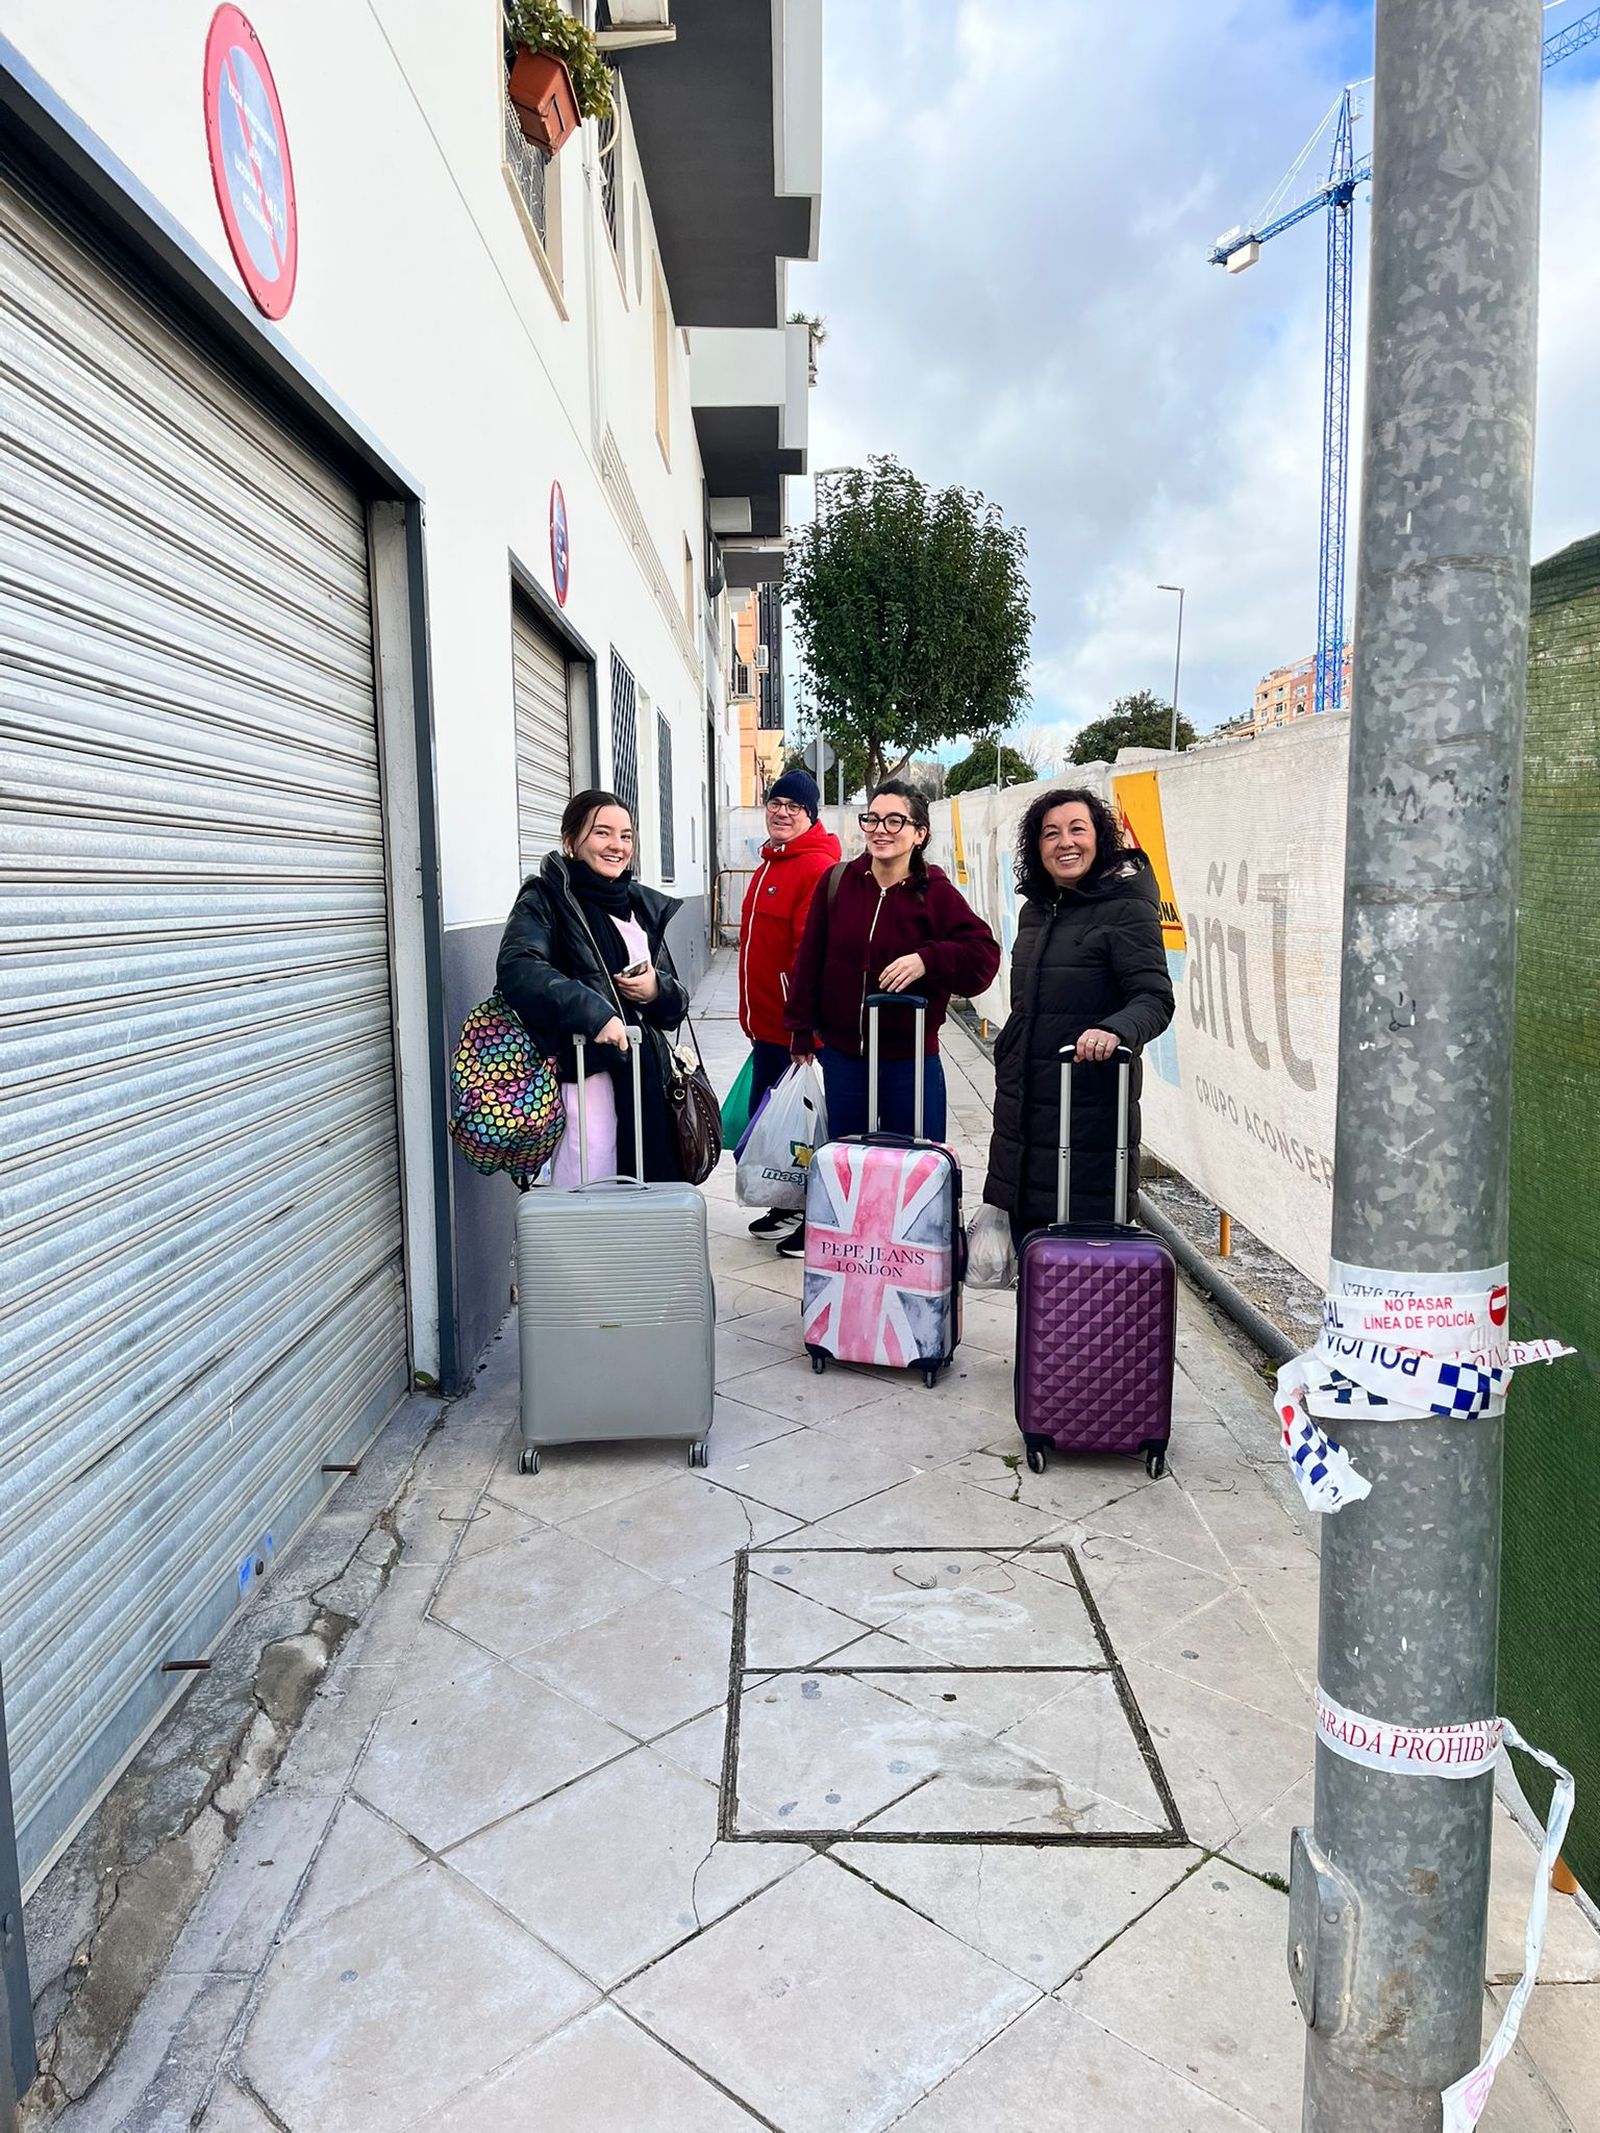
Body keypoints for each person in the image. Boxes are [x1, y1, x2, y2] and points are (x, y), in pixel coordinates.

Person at [782, 779, 1000, 1252]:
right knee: (847, 1169)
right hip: (844, 1057)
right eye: (872, 819)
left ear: (919, 832)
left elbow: (983, 958)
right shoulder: (838, 882)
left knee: (914, 1171)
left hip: (909, 1062)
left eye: (894, 820)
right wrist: (800, 1028)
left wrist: (929, 958)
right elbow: (810, 958)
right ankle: (850, 1263)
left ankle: (913, 1263)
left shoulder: (934, 892)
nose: (881, 830)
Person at [982, 786, 1175, 1238]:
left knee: (1083, 1273)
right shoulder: (1037, 910)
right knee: (1032, 1265)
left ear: (1099, 837)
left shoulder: (1127, 908)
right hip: (1023, 1112)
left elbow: (1154, 998)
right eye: (1050, 834)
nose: (1065, 842)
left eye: (1077, 829)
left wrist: (1114, 1030)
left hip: (1087, 1116)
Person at [496, 789, 689, 1186]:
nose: (617, 846)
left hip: (644, 1077)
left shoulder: (640, 906)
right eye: (602, 833)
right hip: (584, 1078)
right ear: (571, 841)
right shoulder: (546, 898)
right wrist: (595, 1012)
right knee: (589, 1191)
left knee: (644, 1189)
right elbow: (519, 968)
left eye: (626, 835)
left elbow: (674, 1007)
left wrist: (657, 990)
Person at [736, 768, 842, 1239]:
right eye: (775, 803)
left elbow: (808, 955)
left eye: (793, 807)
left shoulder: (814, 866)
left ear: (811, 816)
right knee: (771, 1125)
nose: (781, 813)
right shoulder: (770, 864)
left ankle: (812, 1213)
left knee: (802, 1128)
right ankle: (786, 1202)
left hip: (792, 1028)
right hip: (766, 1025)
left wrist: (804, 1025)